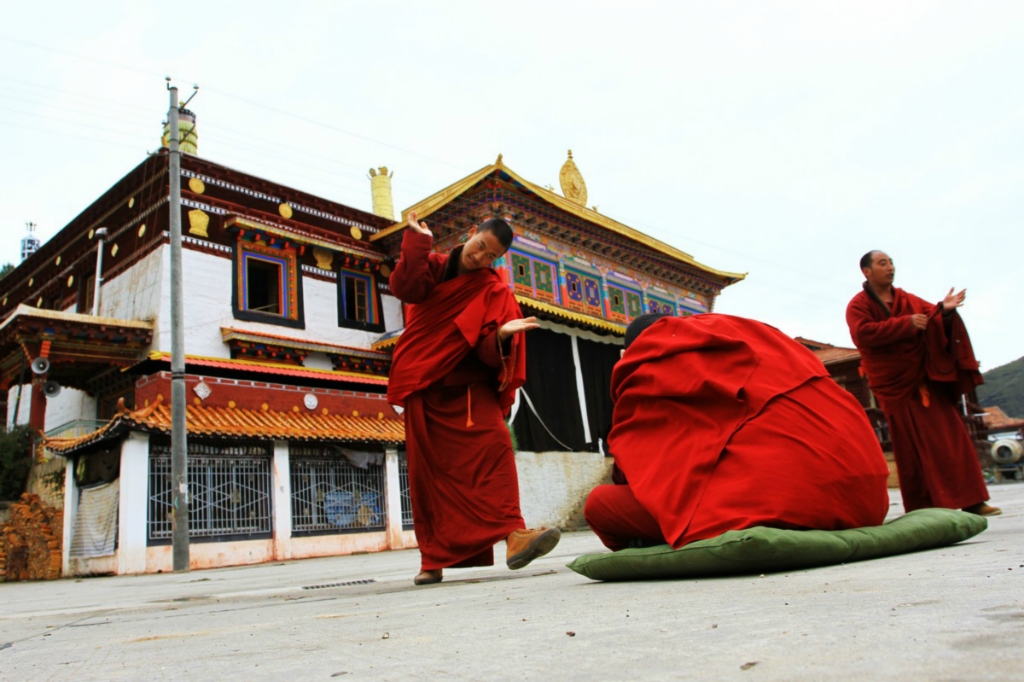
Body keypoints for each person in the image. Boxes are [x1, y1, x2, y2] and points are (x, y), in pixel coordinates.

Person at [584, 313, 891, 551]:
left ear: (628, 353)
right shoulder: (751, 336)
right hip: (869, 501)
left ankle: (673, 539)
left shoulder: (652, 361)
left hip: (794, 506)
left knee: (600, 505)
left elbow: (634, 474)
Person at [388, 211, 561, 585]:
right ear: (471, 233)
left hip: (468, 389)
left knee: (496, 446)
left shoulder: (495, 292)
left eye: (490, 257)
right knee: (427, 475)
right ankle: (432, 559)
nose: (480, 259)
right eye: (480, 247)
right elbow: (406, 289)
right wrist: (417, 243)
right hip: (425, 386)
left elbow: (484, 351)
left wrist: (502, 336)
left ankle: (515, 536)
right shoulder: (432, 267)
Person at [846, 250, 1000, 517]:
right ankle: (925, 508)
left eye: (891, 262)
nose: (890, 267)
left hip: (926, 380)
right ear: (867, 271)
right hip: (897, 386)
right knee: (911, 447)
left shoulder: (909, 299)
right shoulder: (858, 305)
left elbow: (934, 317)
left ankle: (973, 500)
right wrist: (905, 324)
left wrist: (946, 311)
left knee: (953, 438)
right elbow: (863, 334)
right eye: (883, 263)